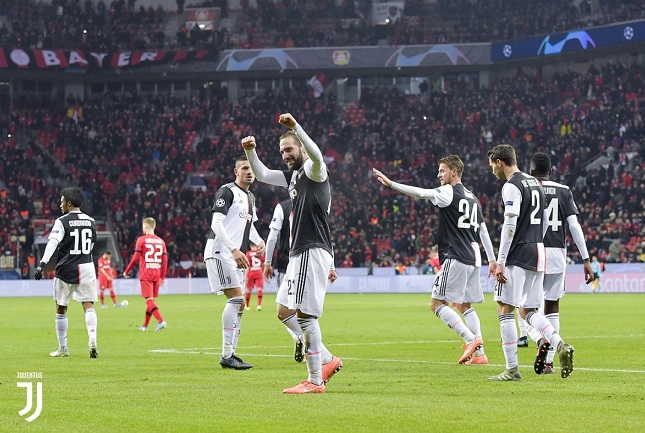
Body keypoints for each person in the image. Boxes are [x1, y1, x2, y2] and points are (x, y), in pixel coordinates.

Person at [242, 113, 342, 394]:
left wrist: (296, 127)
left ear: (300, 148)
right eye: (282, 151)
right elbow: (261, 174)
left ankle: (315, 380)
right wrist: (251, 151)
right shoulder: (293, 177)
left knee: (306, 317)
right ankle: (326, 359)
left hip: (312, 249)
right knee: (284, 310)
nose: (286, 155)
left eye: (289, 149)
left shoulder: (313, 170)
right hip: (298, 253)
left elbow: (318, 156)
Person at [373, 154, 497, 366]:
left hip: (456, 254)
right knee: (465, 305)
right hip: (475, 257)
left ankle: (470, 340)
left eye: (442, 171)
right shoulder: (473, 197)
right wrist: (492, 260)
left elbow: (421, 193)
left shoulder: (449, 191)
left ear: (454, 172)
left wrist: (392, 184)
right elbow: (483, 231)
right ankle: (480, 355)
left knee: (436, 303)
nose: (439, 175)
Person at [487, 144, 575, 381]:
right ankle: (559, 344)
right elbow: (545, 221)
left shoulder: (511, 186)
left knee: (505, 307)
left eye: (492, 166)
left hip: (518, 254)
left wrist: (501, 261)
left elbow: (510, 223)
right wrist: (536, 241)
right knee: (529, 310)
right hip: (539, 251)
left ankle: (512, 369)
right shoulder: (535, 183)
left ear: (499, 162)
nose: (493, 171)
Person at [524, 152, 594, 374]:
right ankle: (549, 363)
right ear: (551, 171)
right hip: (558, 255)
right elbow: (574, 227)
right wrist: (586, 259)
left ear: (532, 171)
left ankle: (541, 341)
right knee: (552, 306)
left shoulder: (528, 188)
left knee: (524, 307)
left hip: (534, 252)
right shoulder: (564, 190)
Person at [204, 155, 266, 371]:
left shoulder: (250, 197)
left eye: (251, 169)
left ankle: (231, 353)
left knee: (239, 303)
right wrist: (233, 249)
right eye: (244, 168)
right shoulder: (227, 191)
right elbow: (217, 223)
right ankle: (227, 355)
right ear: (236, 172)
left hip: (232, 254)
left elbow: (250, 226)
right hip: (221, 251)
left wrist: (259, 242)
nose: (249, 172)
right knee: (237, 298)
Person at [35, 187, 99, 358]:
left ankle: (63, 348)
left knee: (61, 307)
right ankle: (92, 339)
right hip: (86, 267)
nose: (60, 203)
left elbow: (52, 243)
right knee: (88, 305)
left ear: (69, 203)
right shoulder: (91, 221)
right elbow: (92, 246)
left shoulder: (62, 221)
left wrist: (42, 264)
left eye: (62, 200)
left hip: (66, 269)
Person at [123, 217, 168, 332]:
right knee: (150, 301)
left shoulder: (141, 240)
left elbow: (136, 258)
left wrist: (127, 270)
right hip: (156, 273)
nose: (142, 228)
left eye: (143, 226)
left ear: (146, 226)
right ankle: (145, 326)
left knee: (149, 300)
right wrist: (162, 276)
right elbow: (165, 260)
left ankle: (161, 321)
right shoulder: (161, 241)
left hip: (146, 274)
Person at [244, 245, 265, 311]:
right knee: (259, 289)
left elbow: (247, 265)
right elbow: (263, 264)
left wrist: (245, 274)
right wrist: (262, 272)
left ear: (250, 246)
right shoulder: (260, 253)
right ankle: (259, 305)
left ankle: (247, 306)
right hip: (259, 272)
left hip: (251, 272)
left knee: (249, 289)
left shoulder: (248, 253)